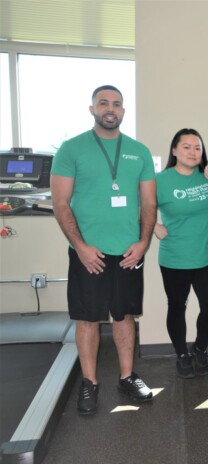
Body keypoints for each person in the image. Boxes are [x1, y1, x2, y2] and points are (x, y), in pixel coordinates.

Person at [51, 85, 155, 415]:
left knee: (125, 316)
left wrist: (143, 243)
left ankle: (127, 376)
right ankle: (90, 382)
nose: (111, 108)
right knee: (88, 318)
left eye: (117, 104)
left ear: (124, 111)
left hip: (128, 252)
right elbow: (60, 203)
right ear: (92, 109)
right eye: (104, 103)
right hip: (88, 253)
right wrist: (80, 247)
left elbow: (149, 203)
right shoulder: (71, 149)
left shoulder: (138, 151)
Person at [154, 128, 208, 378]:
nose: (193, 152)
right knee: (177, 306)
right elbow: (139, 208)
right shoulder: (161, 181)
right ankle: (182, 355)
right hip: (175, 257)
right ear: (174, 150)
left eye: (198, 147)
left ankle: (200, 349)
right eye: (186, 146)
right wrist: (153, 227)